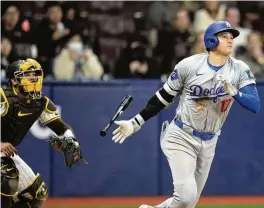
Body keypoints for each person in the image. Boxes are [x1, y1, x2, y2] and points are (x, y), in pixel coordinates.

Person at [112, 21, 260, 208]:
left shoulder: (239, 69)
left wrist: (234, 92)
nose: (230, 40)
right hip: (181, 135)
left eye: (232, 37)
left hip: (210, 141)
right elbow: (163, 97)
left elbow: (255, 105)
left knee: (186, 205)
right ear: (211, 40)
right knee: (185, 198)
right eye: (224, 36)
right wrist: (135, 122)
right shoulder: (189, 66)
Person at [0, 58, 87, 208]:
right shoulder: (3, 98)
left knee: (37, 193)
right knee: (8, 177)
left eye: (35, 73)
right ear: (14, 81)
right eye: (27, 74)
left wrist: (71, 141)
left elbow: (61, 127)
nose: (33, 77)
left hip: (4, 153)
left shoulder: (40, 102)